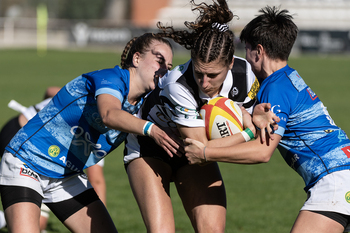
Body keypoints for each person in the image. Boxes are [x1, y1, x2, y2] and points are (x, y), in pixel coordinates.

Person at [183, 6, 350, 233]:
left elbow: (262, 152)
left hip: (334, 179)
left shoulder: (275, 88)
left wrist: (205, 154)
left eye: (247, 49)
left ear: (258, 51)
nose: (246, 59)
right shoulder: (288, 77)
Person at [0, 32, 181, 233]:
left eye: (169, 67)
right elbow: (109, 114)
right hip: (27, 162)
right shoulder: (110, 78)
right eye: (159, 61)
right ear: (137, 58)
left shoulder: (145, 103)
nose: (164, 70)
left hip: (65, 176)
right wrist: (151, 129)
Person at [124, 1, 279, 232]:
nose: (204, 83)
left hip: (193, 154)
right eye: (198, 73)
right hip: (150, 149)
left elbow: (244, 118)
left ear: (229, 63)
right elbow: (201, 148)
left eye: (212, 75)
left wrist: (253, 115)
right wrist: (249, 132)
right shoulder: (179, 86)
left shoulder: (245, 75)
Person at [0, 86, 61, 232]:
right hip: (23, 135)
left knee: (35, 223)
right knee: (34, 223)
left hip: (15, 126)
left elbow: (51, 90)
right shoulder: (99, 121)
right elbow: (96, 181)